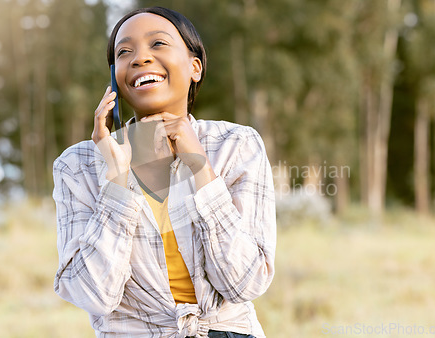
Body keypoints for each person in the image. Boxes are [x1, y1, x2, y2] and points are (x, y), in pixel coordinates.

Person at [52, 6, 276, 338]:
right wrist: (117, 180)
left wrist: (200, 166)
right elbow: (92, 295)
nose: (140, 58)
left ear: (194, 67)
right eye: (125, 52)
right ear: (115, 76)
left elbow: (246, 282)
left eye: (158, 44)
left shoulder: (236, 145)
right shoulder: (77, 166)